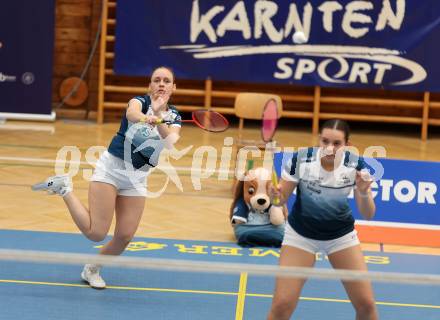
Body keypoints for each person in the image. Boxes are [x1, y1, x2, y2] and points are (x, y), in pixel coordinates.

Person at [32, 66, 181, 289]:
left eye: (166, 81)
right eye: (156, 80)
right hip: (111, 169)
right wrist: (146, 117)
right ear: (150, 85)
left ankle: (92, 268)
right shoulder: (139, 102)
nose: (161, 84)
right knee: (96, 233)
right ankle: (64, 188)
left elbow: (170, 143)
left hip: (137, 178)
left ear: (173, 87)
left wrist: (159, 117)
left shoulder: (174, 116)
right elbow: (132, 113)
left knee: (125, 236)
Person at [267, 119, 378, 320]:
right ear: (318, 140)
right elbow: (279, 200)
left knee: (367, 306)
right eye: (325, 141)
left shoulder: (356, 165)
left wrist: (363, 192)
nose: (329, 148)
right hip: (301, 235)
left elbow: (368, 214)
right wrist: (274, 196)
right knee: (281, 305)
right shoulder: (300, 160)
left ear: (347, 145)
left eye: (336, 143)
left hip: (340, 236)